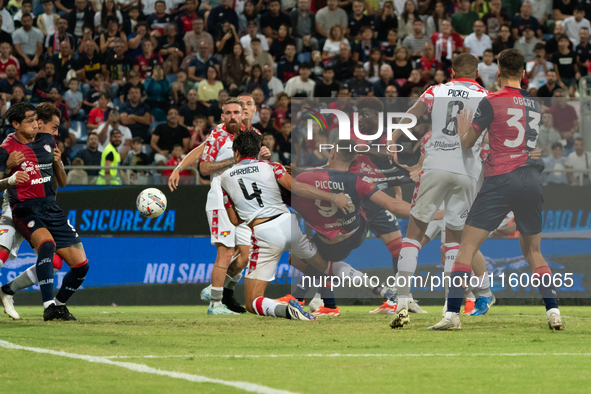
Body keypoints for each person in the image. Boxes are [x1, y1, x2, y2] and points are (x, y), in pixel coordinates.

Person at [430, 48, 563, 331]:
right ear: (524, 74)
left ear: (498, 72)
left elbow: (467, 143)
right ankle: (553, 311)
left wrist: (464, 128)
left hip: (501, 178)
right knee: (534, 252)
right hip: (530, 179)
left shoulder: (490, 101)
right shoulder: (535, 105)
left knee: (466, 247)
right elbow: (526, 142)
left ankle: (452, 314)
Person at [391, 54, 491, 328]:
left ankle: (401, 304)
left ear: (452, 71)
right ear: (478, 72)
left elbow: (414, 111)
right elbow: (495, 133)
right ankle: (450, 311)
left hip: (435, 166)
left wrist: (393, 137)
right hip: (468, 172)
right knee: (455, 244)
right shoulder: (486, 95)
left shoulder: (437, 90)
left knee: (413, 235)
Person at [221, 131, 345, 321]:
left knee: (252, 302)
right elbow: (296, 188)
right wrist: (332, 197)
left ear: (236, 153)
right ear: (257, 151)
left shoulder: (225, 178)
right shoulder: (272, 166)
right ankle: (379, 290)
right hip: (289, 224)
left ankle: (287, 310)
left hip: (264, 233)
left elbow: (235, 220)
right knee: (324, 266)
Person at [0, 102, 88, 321]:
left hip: (51, 208)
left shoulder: (48, 141)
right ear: (17, 124)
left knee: (79, 265)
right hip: (21, 209)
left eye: (35, 120)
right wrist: (9, 172)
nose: (36, 126)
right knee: (37, 247)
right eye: (30, 121)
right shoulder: (7, 148)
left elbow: (63, 182)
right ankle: (48, 305)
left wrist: (57, 162)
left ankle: (55, 305)